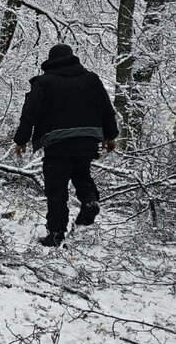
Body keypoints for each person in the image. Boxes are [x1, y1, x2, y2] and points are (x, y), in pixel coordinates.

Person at [13, 44, 119, 247]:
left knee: (56, 189)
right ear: (72, 58)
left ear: (50, 60)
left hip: (57, 142)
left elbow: (30, 114)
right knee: (82, 174)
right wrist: (110, 136)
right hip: (87, 139)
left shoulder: (44, 83)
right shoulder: (91, 79)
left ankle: (55, 233)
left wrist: (21, 141)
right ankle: (90, 202)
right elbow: (107, 109)